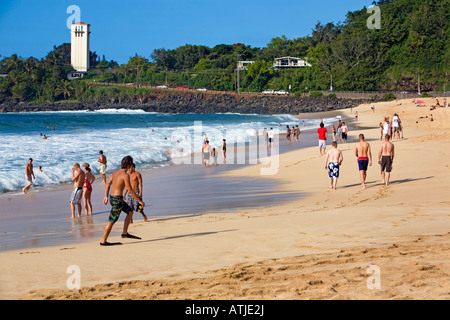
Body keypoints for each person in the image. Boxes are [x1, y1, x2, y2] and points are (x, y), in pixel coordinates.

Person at [100, 156, 145, 246]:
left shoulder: (115, 173)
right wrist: (139, 201)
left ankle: (125, 233)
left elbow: (108, 184)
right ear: (129, 165)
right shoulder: (125, 175)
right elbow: (130, 189)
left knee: (130, 211)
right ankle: (103, 241)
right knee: (111, 220)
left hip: (113, 198)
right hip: (117, 200)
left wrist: (106, 196)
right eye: (131, 164)